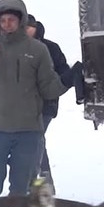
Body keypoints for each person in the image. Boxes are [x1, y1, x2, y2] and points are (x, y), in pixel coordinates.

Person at [0, 0, 67, 206]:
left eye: (12, 19)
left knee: (23, 192)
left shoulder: (37, 50)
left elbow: (49, 89)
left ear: (21, 20)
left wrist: (70, 80)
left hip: (28, 132)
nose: (7, 24)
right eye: (3, 20)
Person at [23, 14, 83, 184]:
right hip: (22, 106)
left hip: (46, 104)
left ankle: (41, 183)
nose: (26, 30)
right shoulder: (17, 48)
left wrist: (48, 80)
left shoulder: (50, 48)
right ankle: (41, 184)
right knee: (33, 142)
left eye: (29, 27)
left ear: (35, 28)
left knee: (34, 141)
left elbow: (63, 74)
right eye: (23, 27)